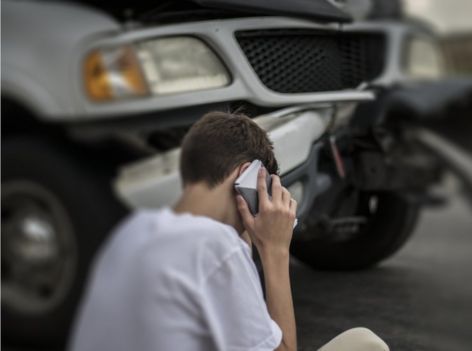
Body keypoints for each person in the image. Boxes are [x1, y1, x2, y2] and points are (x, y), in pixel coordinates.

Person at [69, 112, 389, 351]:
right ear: (247, 176)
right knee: (365, 343)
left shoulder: (133, 232)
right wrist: (276, 250)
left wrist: (248, 232)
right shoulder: (212, 244)